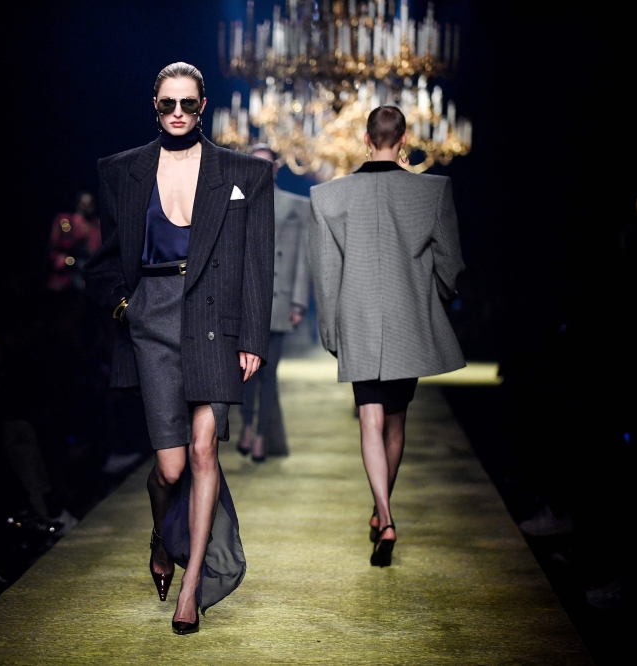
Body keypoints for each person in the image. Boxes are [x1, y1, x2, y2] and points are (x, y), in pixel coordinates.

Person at [84, 62, 274, 634]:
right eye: (168, 103)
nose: (177, 114)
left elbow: (258, 263)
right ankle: (160, 534)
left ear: (202, 106)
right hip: (154, 320)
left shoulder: (243, 172)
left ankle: (191, 589)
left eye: (188, 104)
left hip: (215, 320)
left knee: (203, 450)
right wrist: (127, 309)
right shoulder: (123, 170)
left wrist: (253, 338)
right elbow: (104, 261)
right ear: (155, 105)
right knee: (169, 469)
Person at [307, 105, 465, 567]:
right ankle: (383, 512)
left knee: (369, 418)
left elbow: (326, 271)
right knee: (396, 421)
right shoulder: (432, 191)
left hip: (357, 318)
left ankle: (385, 515)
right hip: (407, 320)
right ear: (404, 139)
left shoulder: (329, 197)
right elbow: (450, 263)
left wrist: (330, 327)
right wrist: (432, 298)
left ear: (365, 138)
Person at [238, 144, 310, 461]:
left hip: (277, 301)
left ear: (276, 169)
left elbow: (302, 257)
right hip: (243, 303)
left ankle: (261, 437)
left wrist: (298, 303)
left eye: (266, 165)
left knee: (268, 374)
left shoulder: (295, 205)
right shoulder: (235, 203)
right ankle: (247, 426)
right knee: (244, 373)